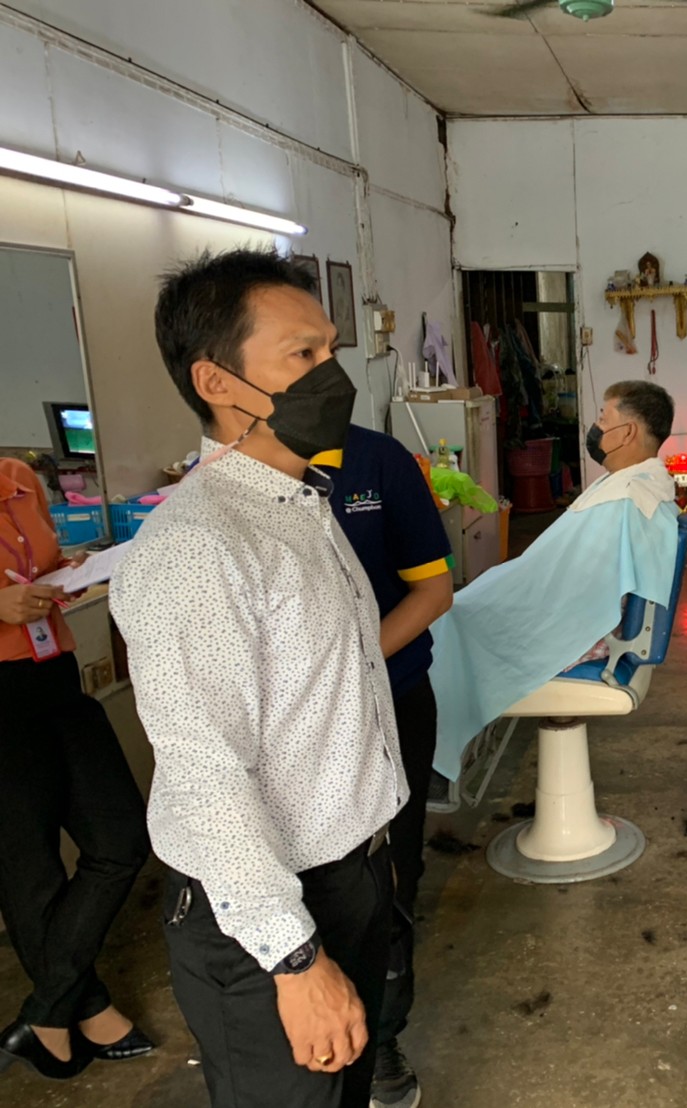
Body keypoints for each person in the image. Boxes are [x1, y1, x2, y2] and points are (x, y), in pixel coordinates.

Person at [110, 247, 406, 1108]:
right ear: (217, 381)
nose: (331, 375)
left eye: (330, 349)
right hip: (266, 919)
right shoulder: (198, 547)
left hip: (347, 874)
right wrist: (296, 959)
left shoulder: (298, 503)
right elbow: (204, 774)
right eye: (302, 354)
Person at [429, 380, 680, 783]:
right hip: (594, 622)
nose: (596, 428)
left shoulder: (623, 499)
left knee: (443, 624)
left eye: (603, 419)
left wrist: (489, 600)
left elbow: (570, 589)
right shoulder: (642, 484)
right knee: (462, 611)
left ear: (628, 432)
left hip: (588, 639)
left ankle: (433, 760)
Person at [310, 424, 453, 1108]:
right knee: (311, 874)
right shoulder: (225, 477)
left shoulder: (377, 461)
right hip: (289, 724)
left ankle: (383, 1033)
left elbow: (433, 589)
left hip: (387, 698)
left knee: (390, 871)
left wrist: (352, 669)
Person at [0, 458, 151, 1080]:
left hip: (54, 678)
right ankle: (84, 1010)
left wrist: (72, 572)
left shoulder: (19, 478)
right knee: (29, 869)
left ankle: (45, 1013)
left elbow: (41, 561)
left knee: (121, 839)